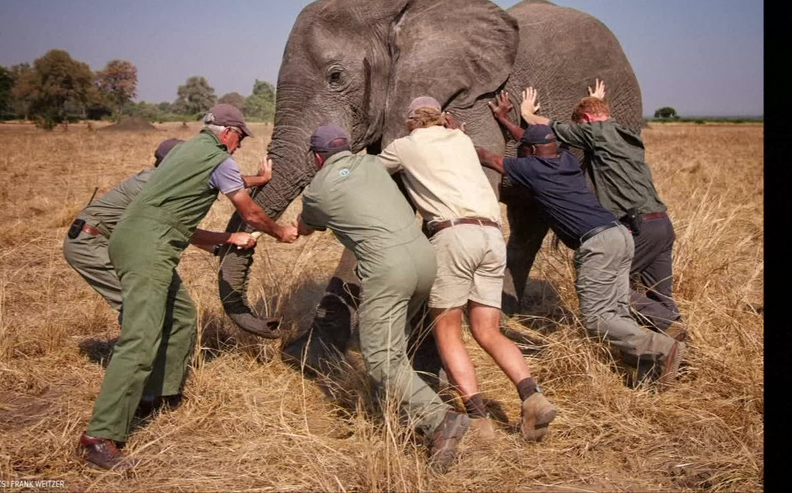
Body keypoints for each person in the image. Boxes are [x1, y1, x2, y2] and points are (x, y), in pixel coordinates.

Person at [77, 104, 299, 471]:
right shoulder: (216, 157)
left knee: (182, 315)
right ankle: (99, 437)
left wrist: (259, 180)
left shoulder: (189, 150)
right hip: (148, 247)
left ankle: (159, 394)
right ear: (228, 131)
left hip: (138, 239)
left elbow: (228, 178)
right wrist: (281, 232)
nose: (239, 145)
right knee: (140, 340)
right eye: (240, 137)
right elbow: (251, 214)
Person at [376, 96, 556, 441]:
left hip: (453, 235)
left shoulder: (404, 145)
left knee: (447, 331)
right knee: (488, 331)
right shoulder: (460, 139)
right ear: (442, 119)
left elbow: (373, 173)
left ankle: (478, 419)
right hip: (491, 235)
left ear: (411, 121)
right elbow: (458, 137)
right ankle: (532, 397)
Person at [294, 124, 469, 473]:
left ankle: (439, 420)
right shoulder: (373, 164)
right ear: (347, 146)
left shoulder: (318, 189)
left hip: (388, 269)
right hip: (424, 258)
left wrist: (290, 228)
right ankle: (389, 415)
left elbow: (305, 225)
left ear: (317, 157)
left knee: (379, 357)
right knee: (395, 344)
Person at [474, 124, 686, 389]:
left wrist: (453, 134)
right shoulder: (567, 159)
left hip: (598, 243)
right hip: (620, 234)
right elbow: (535, 144)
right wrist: (506, 122)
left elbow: (487, 157)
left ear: (531, 151)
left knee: (596, 318)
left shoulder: (531, 168)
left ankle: (661, 348)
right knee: (617, 310)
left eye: (525, 150)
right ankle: (648, 366)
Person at [63, 138, 266, 410]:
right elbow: (185, 230)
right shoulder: (152, 187)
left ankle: (162, 390)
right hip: (91, 243)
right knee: (141, 309)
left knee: (173, 310)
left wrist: (260, 179)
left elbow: (222, 178)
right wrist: (230, 238)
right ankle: (138, 385)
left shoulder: (165, 181)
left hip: (113, 242)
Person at [488, 82, 686, 340]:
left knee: (608, 287)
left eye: (582, 125)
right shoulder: (626, 134)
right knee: (660, 294)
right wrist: (592, 101)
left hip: (637, 226)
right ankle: (680, 350)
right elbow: (546, 149)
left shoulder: (595, 133)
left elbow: (550, 131)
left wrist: (527, 113)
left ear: (588, 120)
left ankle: (659, 329)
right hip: (662, 224)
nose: (580, 131)